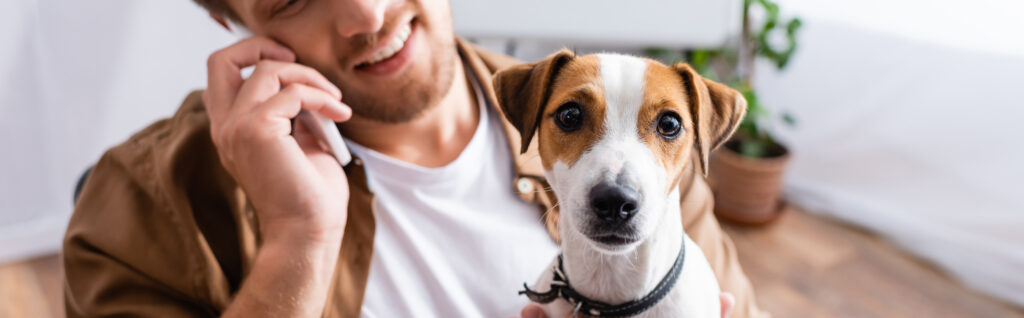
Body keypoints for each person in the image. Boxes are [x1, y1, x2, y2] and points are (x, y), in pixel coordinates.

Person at [63, 0, 767, 317]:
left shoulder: (654, 159)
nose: (367, 13)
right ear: (230, 18)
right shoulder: (139, 211)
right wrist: (296, 243)